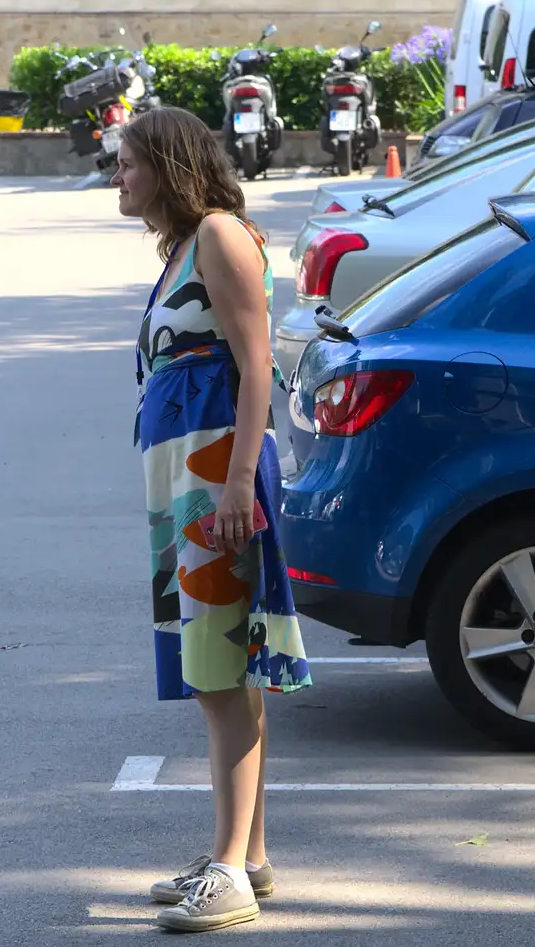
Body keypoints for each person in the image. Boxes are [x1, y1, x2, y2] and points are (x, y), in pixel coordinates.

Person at [115, 106, 312, 933]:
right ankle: (249, 857)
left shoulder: (223, 236)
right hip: (189, 477)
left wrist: (237, 485)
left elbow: (257, 364)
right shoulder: (182, 250)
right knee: (216, 661)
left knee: (221, 668)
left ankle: (229, 872)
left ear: (167, 163)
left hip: (216, 474)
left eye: (127, 163)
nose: (115, 178)